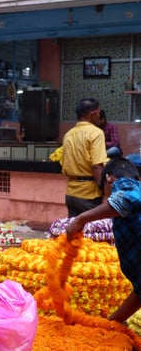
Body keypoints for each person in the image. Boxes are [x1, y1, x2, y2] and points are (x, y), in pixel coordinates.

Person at [66, 157, 141, 323]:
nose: (107, 198)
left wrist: (81, 219)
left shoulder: (126, 185)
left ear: (108, 179)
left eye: (104, 192)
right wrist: (111, 323)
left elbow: (125, 198)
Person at [61, 98, 108, 217]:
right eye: (98, 113)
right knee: (92, 233)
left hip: (71, 194)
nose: (99, 116)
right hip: (89, 195)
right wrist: (105, 192)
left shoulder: (68, 134)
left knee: (76, 233)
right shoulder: (96, 133)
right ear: (93, 113)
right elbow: (97, 166)